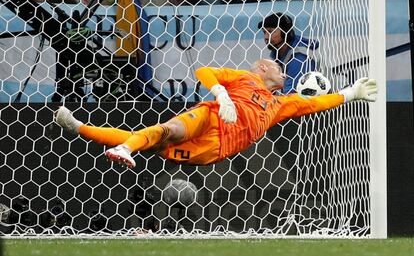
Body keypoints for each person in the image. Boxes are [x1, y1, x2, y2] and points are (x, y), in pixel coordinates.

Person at [54, 59, 378, 168]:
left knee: (152, 144)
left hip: (215, 149)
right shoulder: (245, 77)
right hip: (210, 115)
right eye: (279, 70)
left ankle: (81, 127)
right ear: (264, 68)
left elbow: (314, 104)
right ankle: (121, 148)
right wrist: (222, 95)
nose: (284, 75)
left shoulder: (281, 104)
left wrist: (351, 93)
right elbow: (204, 70)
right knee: (167, 130)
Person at [258, 13, 318, 94]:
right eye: (264, 32)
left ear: (285, 32)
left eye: (270, 31)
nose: (266, 37)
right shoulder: (278, 54)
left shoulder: (299, 59)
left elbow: (290, 97)